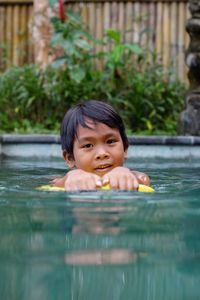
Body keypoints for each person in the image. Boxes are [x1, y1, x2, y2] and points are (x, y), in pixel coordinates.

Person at [51, 100, 150, 191]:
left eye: (110, 141)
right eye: (88, 145)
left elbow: (143, 179)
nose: (102, 154)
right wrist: (70, 177)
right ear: (70, 158)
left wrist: (124, 174)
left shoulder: (133, 176)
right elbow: (55, 183)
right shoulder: (68, 180)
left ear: (125, 149)